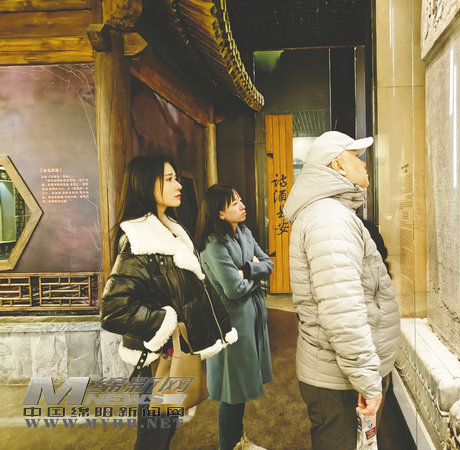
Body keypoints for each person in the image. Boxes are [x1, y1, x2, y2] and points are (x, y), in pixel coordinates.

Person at [101, 155, 238, 450]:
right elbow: (113, 309)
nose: (178, 185)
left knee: (163, 432)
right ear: (144, 184)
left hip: (170, 354)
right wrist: (165, 321)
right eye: (169, 179)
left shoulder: (168, 229)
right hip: (156, 362)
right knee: (154, 438)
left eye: (176, 178)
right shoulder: (138, 239)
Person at [283, 131, 401, 449]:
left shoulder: (331, 213)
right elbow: (341, 309)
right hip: (338, 382)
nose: (364, 165)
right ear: (338, 165)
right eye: (356, 157)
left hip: (339, 375)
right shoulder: (329, 218)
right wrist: (367, 380)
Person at [199, 184, 274, 450]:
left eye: (240, 199)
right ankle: (229, 445)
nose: (242, 205)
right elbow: (233, 289)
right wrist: (255, 275)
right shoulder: (213, 245)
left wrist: (246, 271)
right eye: (234, 203)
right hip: (231, 326)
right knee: (231, 393)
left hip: (250, 318)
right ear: (220, 213)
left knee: (239, 390)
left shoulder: (244, 232)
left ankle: (237, 441)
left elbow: (269, 264)